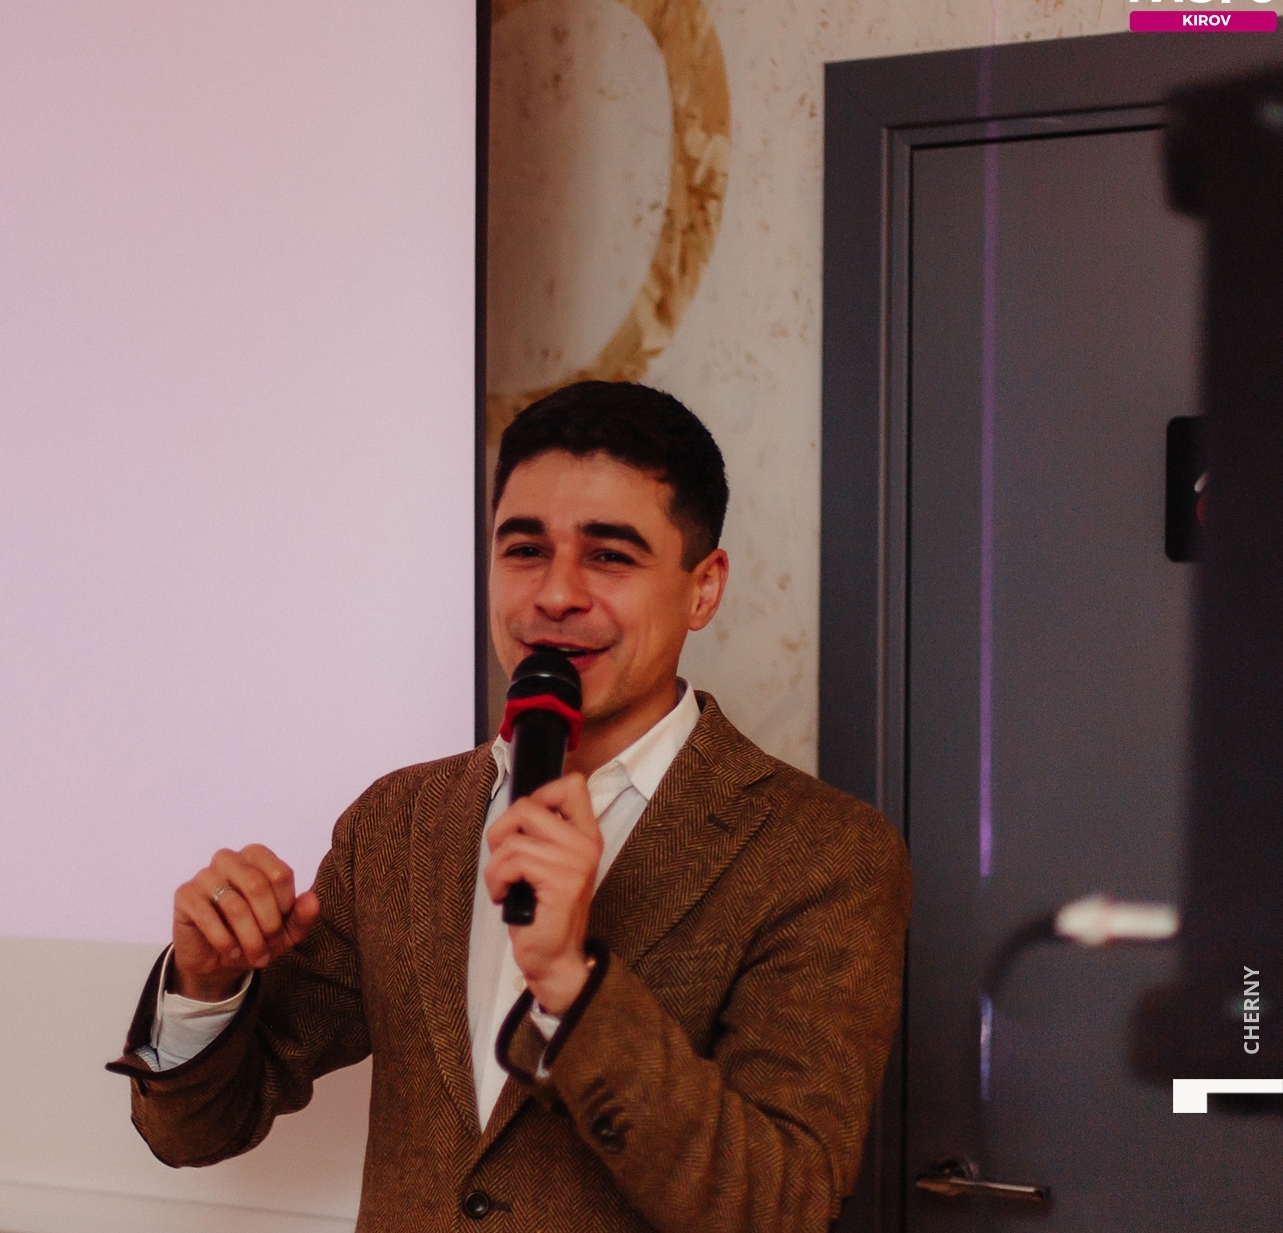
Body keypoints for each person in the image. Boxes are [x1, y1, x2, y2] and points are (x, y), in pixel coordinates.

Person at [106, 380, 911, 1231]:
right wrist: (205, 982)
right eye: (525, 549)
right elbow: (197, 1128)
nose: (555, 595)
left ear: (702, 589)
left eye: (610, 556)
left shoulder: (825, 855)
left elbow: (781, 1206)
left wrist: (572, 981)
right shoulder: (399, 821)